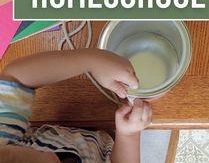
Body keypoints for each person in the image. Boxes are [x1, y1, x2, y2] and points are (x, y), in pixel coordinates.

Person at [0, 48, 152, 163]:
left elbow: (14, 77)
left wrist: (92, 60)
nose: (54, 157)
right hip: (107, 146)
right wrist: (128, 135)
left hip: (68, 134)